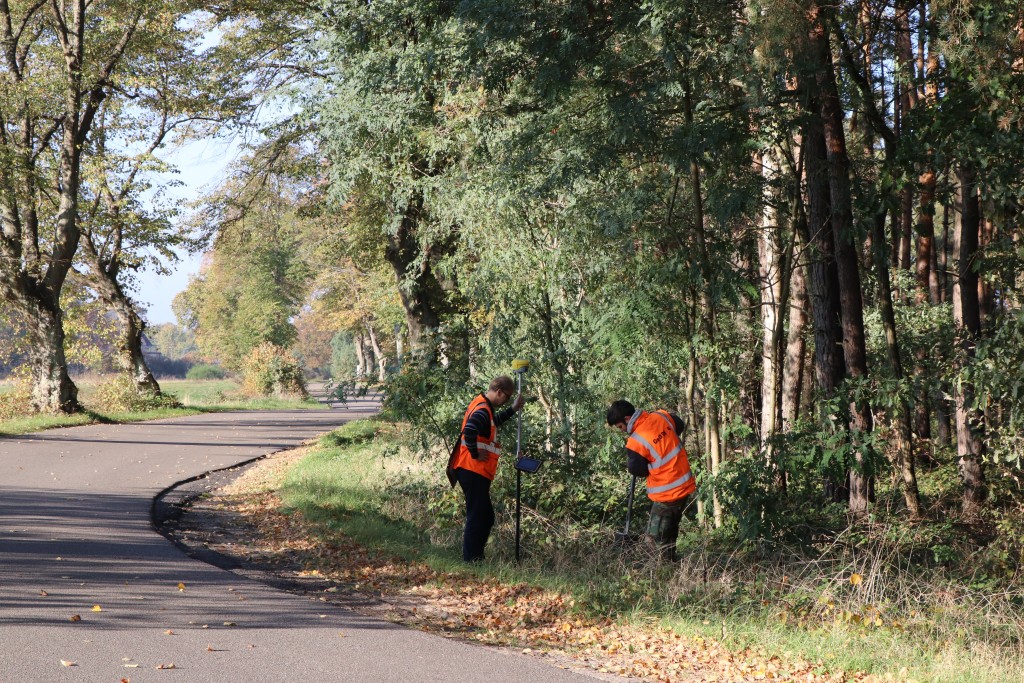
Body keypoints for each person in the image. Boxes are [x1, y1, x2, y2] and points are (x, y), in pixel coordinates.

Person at [447, 375, 525, 562]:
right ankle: (471, 559)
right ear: (499, 392)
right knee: (477, 516)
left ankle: (476, 557)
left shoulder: (484, 407)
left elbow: (493, 422)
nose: (506, 400)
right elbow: (471, 430)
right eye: (506, 397)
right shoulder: (482, 410)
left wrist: (512, 409)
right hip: (472, 470)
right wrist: (474, 453)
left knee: (485, 516)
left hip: (473, 471)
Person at [606, 399, 695, 561]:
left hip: (667, 493)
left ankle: (660, 573)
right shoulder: (661, 416)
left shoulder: (636, 442)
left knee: (654, 540)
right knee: (670, 531)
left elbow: (636, 470)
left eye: (620, 427)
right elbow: (679, 424)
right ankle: (671, 566)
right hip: (684, 485)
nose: (622, 431)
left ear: (627, 419)